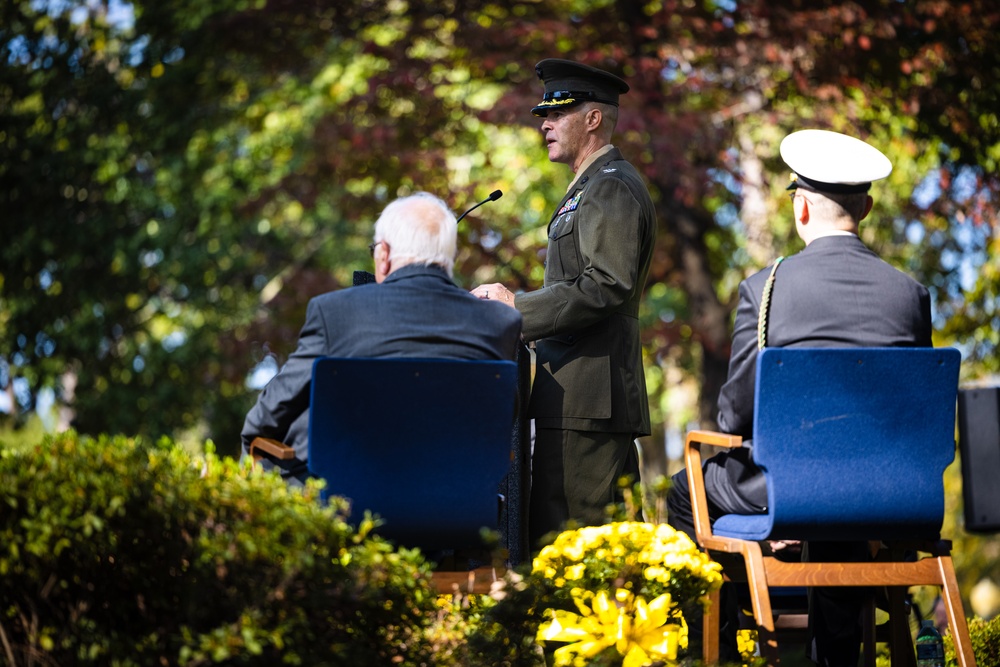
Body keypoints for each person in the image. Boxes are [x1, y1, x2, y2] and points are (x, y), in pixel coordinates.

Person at [666, 129, 933, 666]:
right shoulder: (910, 293)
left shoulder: (767, 287)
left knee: (683, 492)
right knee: (840, 513)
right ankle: (832, 659)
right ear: (868, 208)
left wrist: (784, 513)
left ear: (802, 209)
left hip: (790, 486)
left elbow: (735, 414)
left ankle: (727, 650)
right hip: (890, 494)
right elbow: (912, 413)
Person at [472, 59, 657, 547]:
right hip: (579, 396)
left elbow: (606, 284)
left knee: (570, 544)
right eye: (543, 116)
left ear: (592, 120)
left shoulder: (611, 185)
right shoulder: (591, 186)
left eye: (558, 115)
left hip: (590, 400)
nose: (545, 125)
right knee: (590, 545)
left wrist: (518, 308)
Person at [241, 192, 523, 485]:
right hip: (454, 512)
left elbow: (269, 414)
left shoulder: (336, 312)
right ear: (449, 259)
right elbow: (500, 421)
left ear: (384, 255)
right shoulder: (499, 323)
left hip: (347, 510)